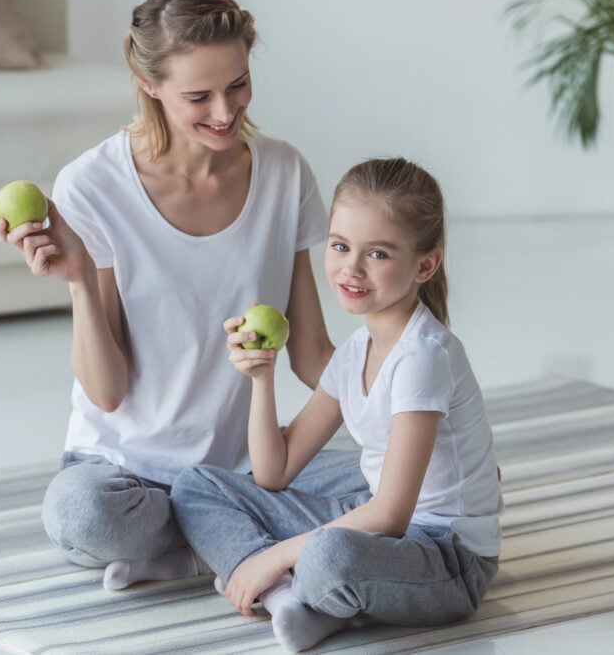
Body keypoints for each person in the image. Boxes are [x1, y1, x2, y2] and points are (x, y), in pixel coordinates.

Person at [0, 0, 364, 591]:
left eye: (238, 85)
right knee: (82, 516)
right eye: (199, 96)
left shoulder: (283, 172)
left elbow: (311, 356)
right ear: (149, 85)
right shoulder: (91, 186)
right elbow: (108, 394)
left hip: (241, 469)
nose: (225, 112)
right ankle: (238, 533)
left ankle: (208, 536)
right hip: (128, 476)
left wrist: (413, 423)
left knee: (410, 482)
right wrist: (81, 279)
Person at [171, 157, 504, 652]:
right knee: (196, 484)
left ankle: (273, 575)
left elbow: (390, 514)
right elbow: (274, 473)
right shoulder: (353, 354)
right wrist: (262, 378)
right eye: (341, 246)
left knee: (330, 555)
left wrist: (277, 554)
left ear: (425, 265)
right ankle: (292, 597)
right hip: (376, 529)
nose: (351, 268)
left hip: (447, 558)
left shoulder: (423, 357)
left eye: (378, 254)